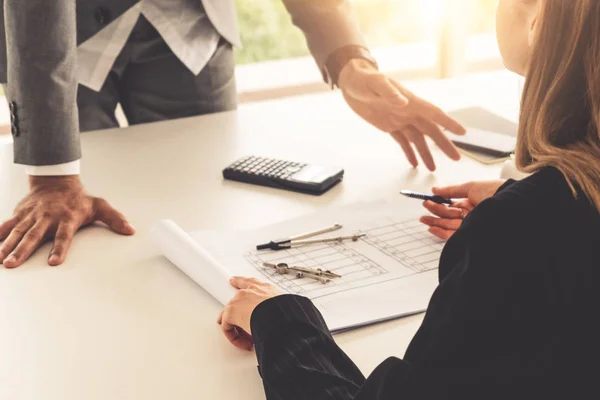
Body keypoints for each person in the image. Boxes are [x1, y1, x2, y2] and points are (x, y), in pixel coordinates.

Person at [217, 0, 600, 398]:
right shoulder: (557, 212)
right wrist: (520, 197)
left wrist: (279, 319)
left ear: (535, 20)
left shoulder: (520, 231)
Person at [0, 0, 465, 269]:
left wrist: (348, 60)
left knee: (208, 217)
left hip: (190, 24)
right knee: (77, 246)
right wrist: (52, 175)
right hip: (57, 33)